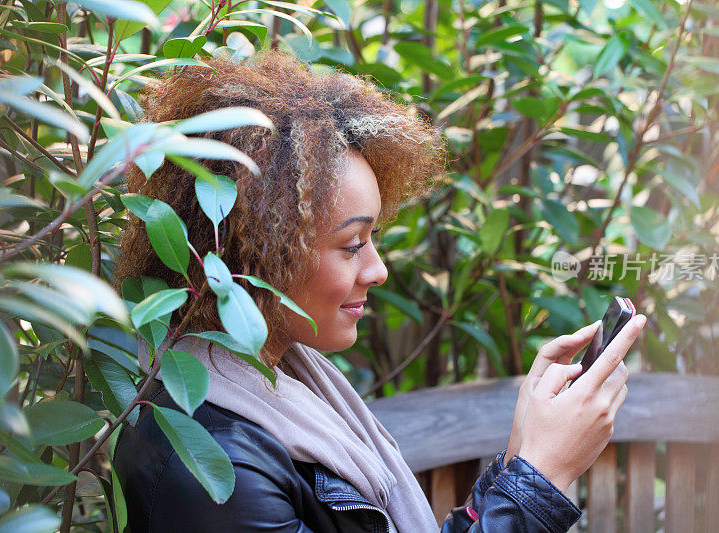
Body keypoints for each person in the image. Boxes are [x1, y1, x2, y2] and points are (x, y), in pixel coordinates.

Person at [113, 50, 645, 532]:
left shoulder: (281, 381)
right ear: (252, 252)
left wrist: (521, 453)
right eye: (351, 245)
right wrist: (541, 481)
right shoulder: (206, 466)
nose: (378, 270)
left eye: (372, 239)